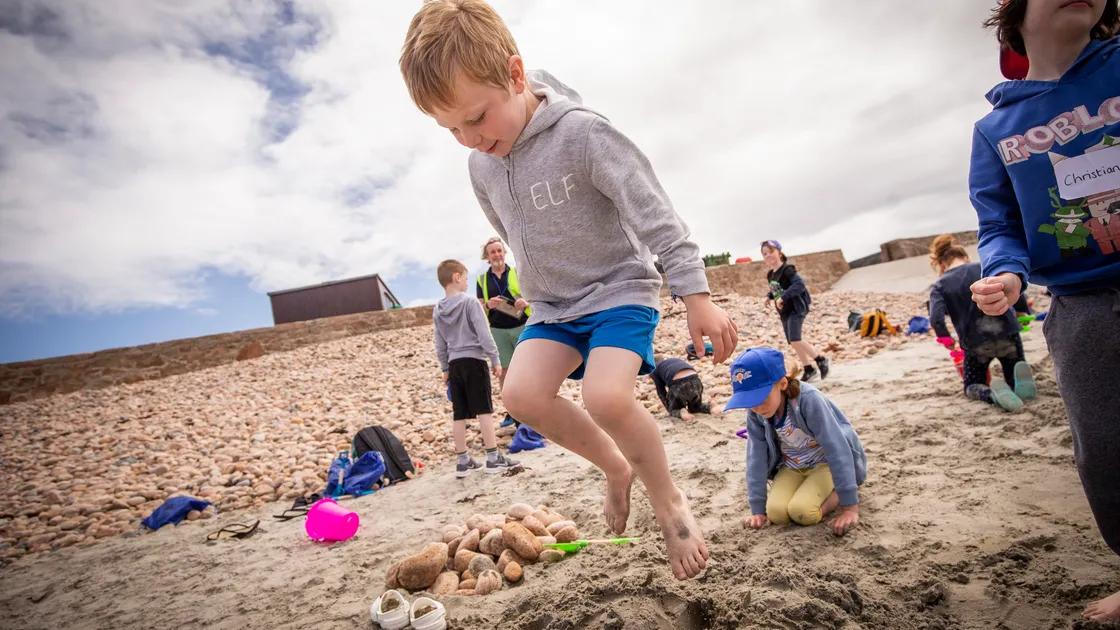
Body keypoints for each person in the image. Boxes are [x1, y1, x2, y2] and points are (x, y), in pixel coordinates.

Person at [400, 0, 739, 580]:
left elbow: (655, 214)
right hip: (554, 307)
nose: (466, 138)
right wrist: (535, 286)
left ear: (514, 74)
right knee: (522, 396)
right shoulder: (481, 166)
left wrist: (695, 294)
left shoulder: (584, 135)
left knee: (608, 397)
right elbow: (512, 231)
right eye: (449, 128)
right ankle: (615, 467)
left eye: (476, 118)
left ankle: (669, 501)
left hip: (618, 289)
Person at [969, 0, 1120, 621]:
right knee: (1105, 448)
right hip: (1080, 301)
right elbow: (999, 222)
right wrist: (1005, 271)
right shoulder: (996, 129)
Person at [730, 348, 866, 537]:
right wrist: (758, 511)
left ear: (782, 384)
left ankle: (838, 489)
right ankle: (808, 491)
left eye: (762, 398)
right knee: (777, 514)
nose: (757, 407)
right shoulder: (756, 413)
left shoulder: (808, 400)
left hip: (824, 464)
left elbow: (836, 447)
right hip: (792, 466)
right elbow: (756, 457)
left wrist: (850, 507)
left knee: (802, 512)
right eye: (749, 401)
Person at [928, 234, 1036, 411]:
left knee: (972, 384)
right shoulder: (985, 270)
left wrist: (946, 339)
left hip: (974, 342)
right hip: (1007, 332)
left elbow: (936, 318)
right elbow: (1015, 290)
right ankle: (1018, 382)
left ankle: (991, 394)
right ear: (966, 258)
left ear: (941, 265)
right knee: (1014, 368)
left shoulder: (940, 286)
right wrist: (1022, 313)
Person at [433, 259, 520, 477]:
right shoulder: (470, 303)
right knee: (484, 410)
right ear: (457, 277)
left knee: (459, 414)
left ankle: (463, 461)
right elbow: (484, 333)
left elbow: (439, 341)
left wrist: (445, 367)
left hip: (454, 364)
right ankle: (492, 457)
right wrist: (495, 359)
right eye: (465, 278)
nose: (466, 283)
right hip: (474, 361)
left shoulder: (438, 309)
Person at [476, 236, 529, 427]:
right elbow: (480, 308)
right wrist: (488, 305)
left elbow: (532, 295)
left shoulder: (516, 272)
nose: (497, 254)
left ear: (504, 253)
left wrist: (526, 301)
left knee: (528, 369)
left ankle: (532, 409)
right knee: (505, 372)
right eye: (492, 252)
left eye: (499, 250)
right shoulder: (482, 280)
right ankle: (512, 412)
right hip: (498, 330)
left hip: (523, 325)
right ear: (487, 257)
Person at [761, 240, 831, 382]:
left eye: (771, 252)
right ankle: (808, 369)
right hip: (784, 311)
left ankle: (821, 360)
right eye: (764, 254)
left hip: (796, 307)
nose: (768, 256)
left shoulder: (788, 270)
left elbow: (799, 284)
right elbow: (775, 289)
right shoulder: (771, 275)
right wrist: (769, 296)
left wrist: (784, 297)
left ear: (779, 253)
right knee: (793, 341)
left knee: (795, 338)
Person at [650, 357, 723, 421]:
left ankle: (682, 412)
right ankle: (711, 406)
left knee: (675, 409)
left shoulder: (653, 369)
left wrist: (670, 409)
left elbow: (661, 392)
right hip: (695, 381)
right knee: (696, 408)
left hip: (679, 385)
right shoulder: (671, 361)